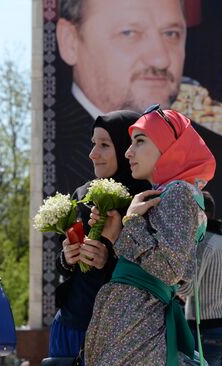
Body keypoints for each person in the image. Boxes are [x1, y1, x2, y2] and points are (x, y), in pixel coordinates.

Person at [51, 0, 222, 214]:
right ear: (70, 41)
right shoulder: (55, 160)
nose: (160, 59)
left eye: (171, 34)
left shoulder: (209, 159)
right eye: (129, 33)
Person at [84, 107, 216, 365]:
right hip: (133, 324)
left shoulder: (178, 192)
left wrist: (131, 222)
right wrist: (116, 234)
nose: (128, 152)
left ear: (169, 147)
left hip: (138, 327)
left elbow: (169, 271)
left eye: (140, 141)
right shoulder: (168, 193)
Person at [50, 110, 150, 359]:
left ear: (126, 148)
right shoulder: (82, 194)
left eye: (104, 145)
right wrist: (67, 257)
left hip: (123, 333)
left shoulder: (146, 200)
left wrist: (111, 257)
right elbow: (62, 266)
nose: (93, 154)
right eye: (93, 143)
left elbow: (156, 271)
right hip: (71, 326)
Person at [180, 191, 222, 365]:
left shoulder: (204, 244)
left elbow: (189, 289)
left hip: (204, 329)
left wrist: (167, 280)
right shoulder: (219, 239)